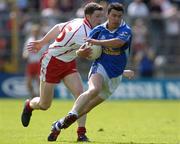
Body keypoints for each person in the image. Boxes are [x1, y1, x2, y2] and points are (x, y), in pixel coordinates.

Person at [47, 3, 133, 141]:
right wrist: (81, 52)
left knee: (86, 109)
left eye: (119, 16)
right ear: (108, 15)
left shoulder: (125, 30)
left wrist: (122, 71)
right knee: (94, 89)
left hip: (115, 76)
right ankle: (72, 115)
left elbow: (117, 43)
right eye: (113, 15)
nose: (116, 19)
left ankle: (58, 124)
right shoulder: (98, 30)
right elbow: (83, 50)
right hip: (99, 67)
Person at [21, 2, 104, 142]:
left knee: (80, 95)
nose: (100, 19)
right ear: (88, 16)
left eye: (101, 16)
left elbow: (59, 27)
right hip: (52, 62)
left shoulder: (79, 21)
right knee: (44, 104)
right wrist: (83, 53)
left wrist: (42, 41)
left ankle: (81, 133)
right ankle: (29, 105)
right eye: (97, 16)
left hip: (68, 61)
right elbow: (85, 52)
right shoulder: (84, 33)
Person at [22, 24, 42, 99]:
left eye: (37, 31)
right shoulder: (29, 40)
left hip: (39, 62)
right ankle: (33, 95)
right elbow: (25, 50)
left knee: (39, 81)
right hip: (31, 63)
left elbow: (44, 51)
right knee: (28, 82)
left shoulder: (41, 40)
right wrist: (25, 54)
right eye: (34, 31)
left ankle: (40, 96)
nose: (35, 32)